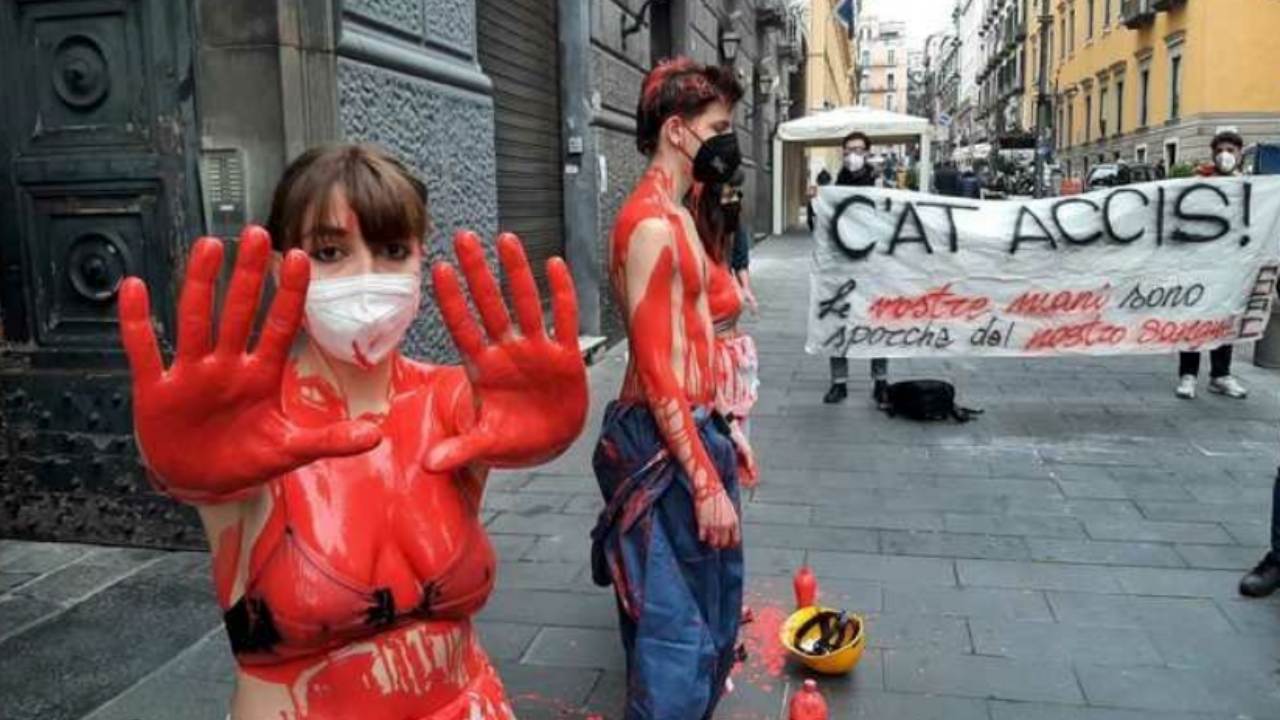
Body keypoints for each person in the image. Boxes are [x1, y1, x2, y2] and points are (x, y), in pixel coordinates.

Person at [117, 144, 588, 719]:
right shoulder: (247, 434)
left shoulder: (454, 408)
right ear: (279, 266)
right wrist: (174, 461)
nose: (366, 276)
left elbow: (514, 425)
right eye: (330, 252)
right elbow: (191, 464)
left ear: (420, 257)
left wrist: (555, 427)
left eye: (392, 250)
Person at [589, 57, 744, 719]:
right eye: (719, 126)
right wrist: (705, 480)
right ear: (679, 133)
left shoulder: (681, 214)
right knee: (672, 628)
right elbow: (657, 370)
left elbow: (715, 318)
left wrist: (727, 432)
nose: (726, 140)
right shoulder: (651, 224)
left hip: (695, 426)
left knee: (713, 603)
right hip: (660, 436)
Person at [1175, 129, 1249, 400]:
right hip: (1200, 263)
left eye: (1230, 150)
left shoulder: (1252, 186)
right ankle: (1188, 375)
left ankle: (1221, 375)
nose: (1224, 155)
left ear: (1240, 154)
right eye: (1219, 151)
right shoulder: (1199, 183)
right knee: (1194, 317)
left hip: (1231, 265)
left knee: (1224, 319)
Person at [825, 130, 890, 405]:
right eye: (849, 149)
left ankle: (881, 381)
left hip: (872, 262)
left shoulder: (878, 183)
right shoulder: (834, 185)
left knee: (878, 319)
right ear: (843, 153)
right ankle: (839, 383)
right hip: (842, 264)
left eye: (859, 150)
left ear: (867, 152)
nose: (854, 155)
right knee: (838, 320)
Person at [806, 167, 833, 232]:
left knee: (810, 207)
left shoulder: (816, 188)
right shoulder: (830, 189)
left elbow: (810, 196)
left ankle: (812, 226)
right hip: (824, 205)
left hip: (817, 205)